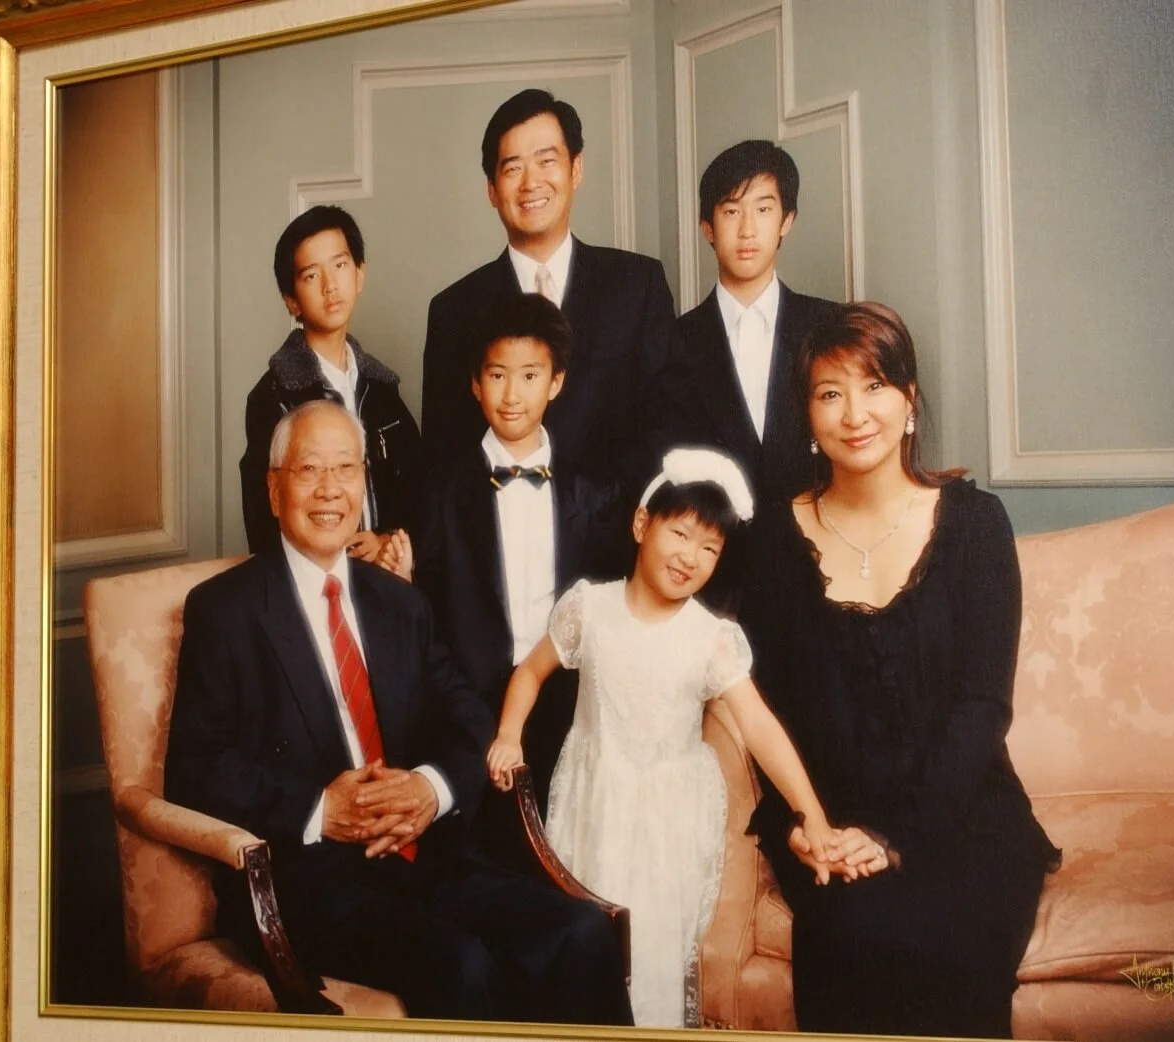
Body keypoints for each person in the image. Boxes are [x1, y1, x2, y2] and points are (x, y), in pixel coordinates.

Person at [167, 400, 633, 1025]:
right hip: (309, 880)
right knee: (463, 965)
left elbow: (468, 716)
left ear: (364, 483)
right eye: (309, 469)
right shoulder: (225, 610)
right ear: (274, 490)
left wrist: (430, 789)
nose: (329, 489)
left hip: (423, 855)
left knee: (580, 931)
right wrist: (320, 809)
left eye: (345, 468)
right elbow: (194, 767)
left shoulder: (399, 604)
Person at [738, 302, 1060, 1038]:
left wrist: (893, 837)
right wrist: (802, 825)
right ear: (808, 414)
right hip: (831, 822)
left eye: (875, 386)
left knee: (941, 947)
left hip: (960, 817)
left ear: (909, 401)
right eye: (830, 393)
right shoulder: (775, 540)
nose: (855, 414)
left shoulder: (976, 525)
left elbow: (983, 708)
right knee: (853, 938)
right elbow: (766, 709)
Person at [485, 448, 884, 1028]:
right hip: (593, 800)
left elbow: (760, 727)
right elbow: (530, 671)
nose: (690, 557)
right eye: (679, 534)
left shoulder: (709, 637)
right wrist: (509, 734)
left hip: (668, 820)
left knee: (652, 963)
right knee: (582, 945)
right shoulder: (590, 608)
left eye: (710, 548)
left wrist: (814, 818)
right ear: (641, 524)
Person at [409, 293, 629, 863]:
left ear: (556, 382)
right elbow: (427, 610)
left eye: (530, 376)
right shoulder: (441, 490)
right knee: (482, 858)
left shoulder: (591, 490)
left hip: (568, 701)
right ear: (475, 383)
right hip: (471, 702)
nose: (512, 395)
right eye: (497, 375)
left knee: (573, 849)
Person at [420, 88, 684, 489]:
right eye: (513, 168)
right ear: (491, 189)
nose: (531, 183)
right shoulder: (453, 310)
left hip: (619, 522)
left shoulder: (638, 284)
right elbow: (444, 456)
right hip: (501, 522)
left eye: (546, 161)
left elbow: (667, 426)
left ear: (576, 169)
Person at [240, 205, 424, 561]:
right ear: (291, 300)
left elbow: (419, 490)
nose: (330, 286)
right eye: (311, 275)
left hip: (385, 576)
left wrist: (388, 540)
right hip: (315, 579)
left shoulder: (382, 389)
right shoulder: (273, 397)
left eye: (339, 266)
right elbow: (262, 519)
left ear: (359, 275)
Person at [677, 140, 840, 503]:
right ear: (707, 228)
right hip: (714, 536)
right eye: (731, 211)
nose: (747, 229)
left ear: (786, 220)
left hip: (819, 530)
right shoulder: (673, 340)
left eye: (763, 209)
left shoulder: (830, 326)